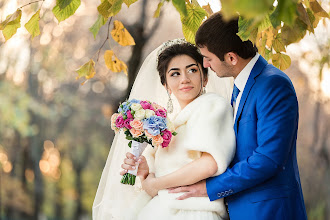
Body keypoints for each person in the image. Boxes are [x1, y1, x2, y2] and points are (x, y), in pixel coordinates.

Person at [160, 13, 307, 220]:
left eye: (208, 58)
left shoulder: (273, 85)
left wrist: (209, 188)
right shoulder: (240, 88)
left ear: (231, 57)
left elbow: (268, 159)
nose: (206, 65)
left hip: (268, 212)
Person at [93, 39, 235, 219]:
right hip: (164, 208)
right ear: (166, 85)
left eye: (192, 70)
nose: (184, 79)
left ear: (205, 78)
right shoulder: (170, 123)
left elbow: (209, 165)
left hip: (194, 211)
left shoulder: (213, 106)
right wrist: (145, 172)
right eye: (175, 74)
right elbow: (166, 174)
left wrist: (157, 183)